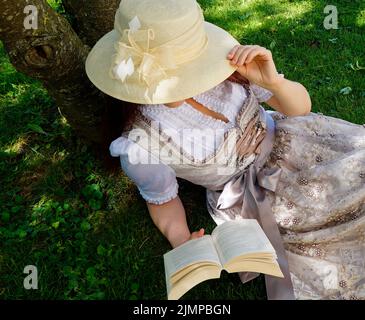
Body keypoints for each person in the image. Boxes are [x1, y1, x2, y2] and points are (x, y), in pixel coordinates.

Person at [86, 0, 365, 300]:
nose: (182, 82)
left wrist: (274, 83)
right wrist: (181, 240)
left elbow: (300, 109)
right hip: (258, 191)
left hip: (299, 139)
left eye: (186, 69)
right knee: (339, 220)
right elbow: (161, 200)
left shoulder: (224, 66)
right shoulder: (139, 143)